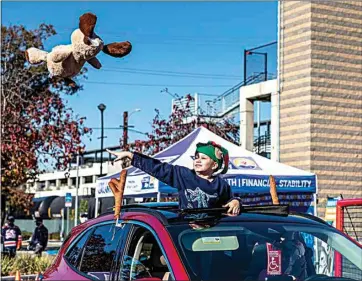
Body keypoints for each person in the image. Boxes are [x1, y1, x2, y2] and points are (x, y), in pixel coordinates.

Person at [107, 141, 240, 214]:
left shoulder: (222, 185)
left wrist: (235, 202)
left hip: (213, 235)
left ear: (215, 164)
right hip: (186, 231)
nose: (198, 160)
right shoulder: (184, 175)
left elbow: (230, 200)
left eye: (204, 158)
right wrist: (131, 156)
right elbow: (158, 168)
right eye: (196, 157)